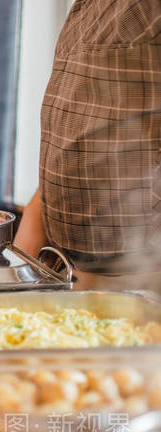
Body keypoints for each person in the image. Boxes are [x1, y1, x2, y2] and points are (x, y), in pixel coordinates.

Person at [14, 0, 160, 292]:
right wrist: (18, 269)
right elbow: (73, 144)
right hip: (63, 273)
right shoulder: (86, 8)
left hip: (140, 283)